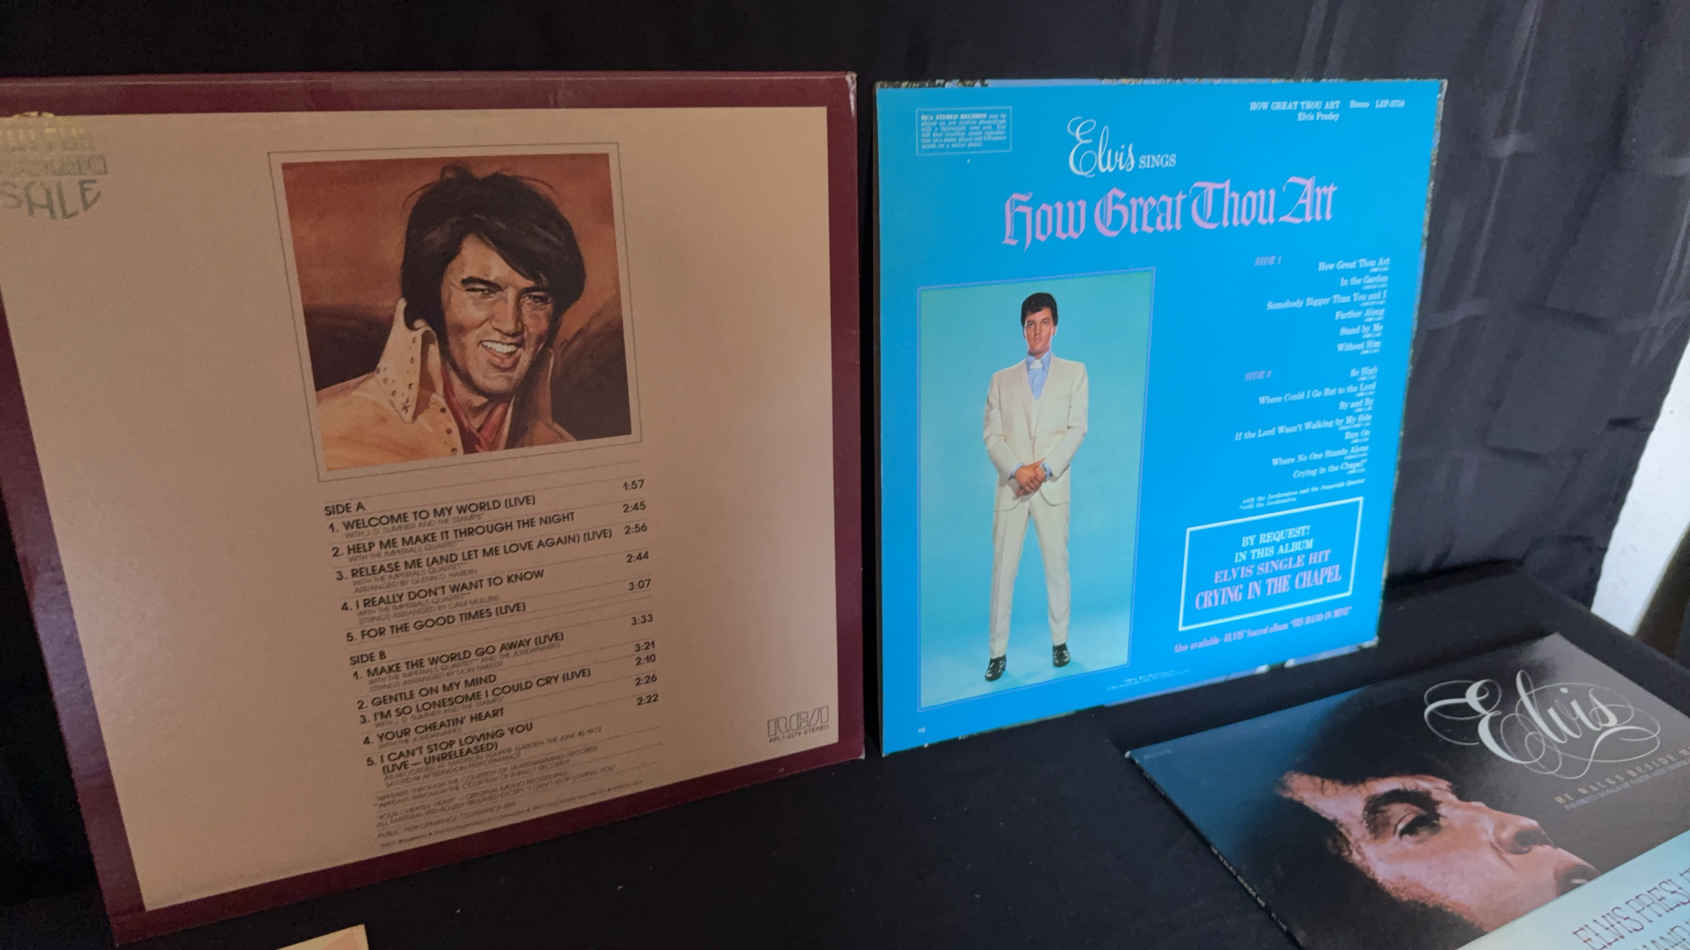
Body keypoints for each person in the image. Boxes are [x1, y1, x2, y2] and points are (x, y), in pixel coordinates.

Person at [316, 165, 587, 470]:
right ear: (431, 297)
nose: (510, 324)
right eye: (483, 291)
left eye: (536, 299)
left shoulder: (563, 452)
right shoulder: (328, 434)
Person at [981, 292, 1088, 682]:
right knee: (1002, 573)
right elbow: (992, 436)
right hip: (1012, 489)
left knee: (1057, 567)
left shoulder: (1075, 373)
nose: (1037, 331)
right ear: (1022, 329)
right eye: (1030, 324)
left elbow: (1077, 429)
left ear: (1055, 327)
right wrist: (1016, 470)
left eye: (1043, 323)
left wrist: (1042, 469)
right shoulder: (1001, 380)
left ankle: (1060, 643)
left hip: (1051, 487)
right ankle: (997, 653)